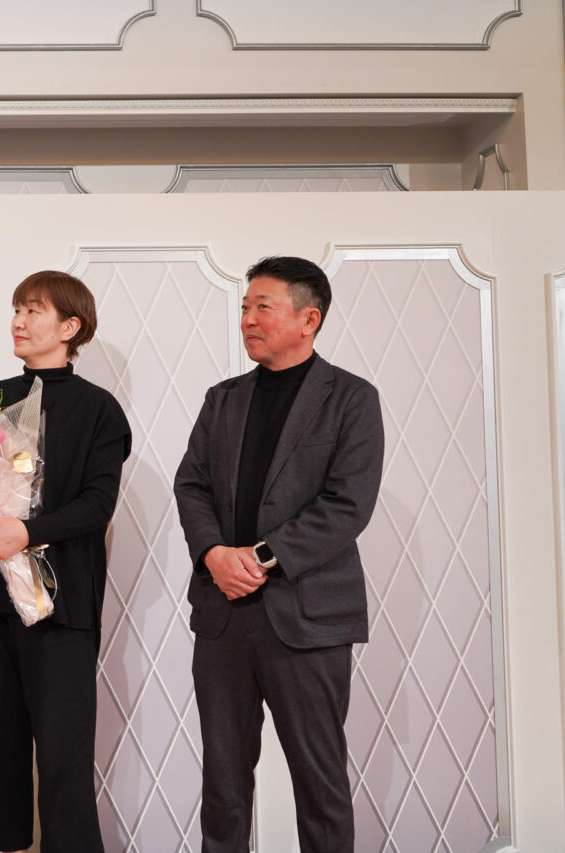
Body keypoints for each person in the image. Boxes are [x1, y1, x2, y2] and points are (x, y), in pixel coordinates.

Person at [173, 256, 384, 852]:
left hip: (307, 619)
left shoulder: (351, 398)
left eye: (262, 307)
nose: (247, 319)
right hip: (223, 615)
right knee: (223, 785)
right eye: (245, 307)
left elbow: (348, 504)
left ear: (308, 319)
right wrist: (214, 554)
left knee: (319, 784)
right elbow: (191, 485)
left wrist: (260, 558)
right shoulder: (223, 399)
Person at [0, 270, 132, 853]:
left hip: (62, 604)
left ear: (70, 327)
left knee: (65, 753)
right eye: (16, 310)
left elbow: (97, 504)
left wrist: (26, 532)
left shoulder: (99, 409)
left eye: (33, 311)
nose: (18, 322)